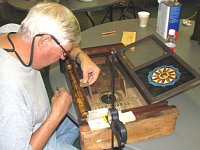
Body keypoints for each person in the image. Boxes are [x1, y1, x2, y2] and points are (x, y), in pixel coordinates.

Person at [0, 2, 100, 150]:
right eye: (63, 53)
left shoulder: (13, 32)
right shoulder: (9, 90)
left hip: (39, 123)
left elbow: (63, 41)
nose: (63, 57)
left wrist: (81, 56)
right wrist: (56, 115)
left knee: (91, 115)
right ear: (45, 41)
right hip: (30, 141)